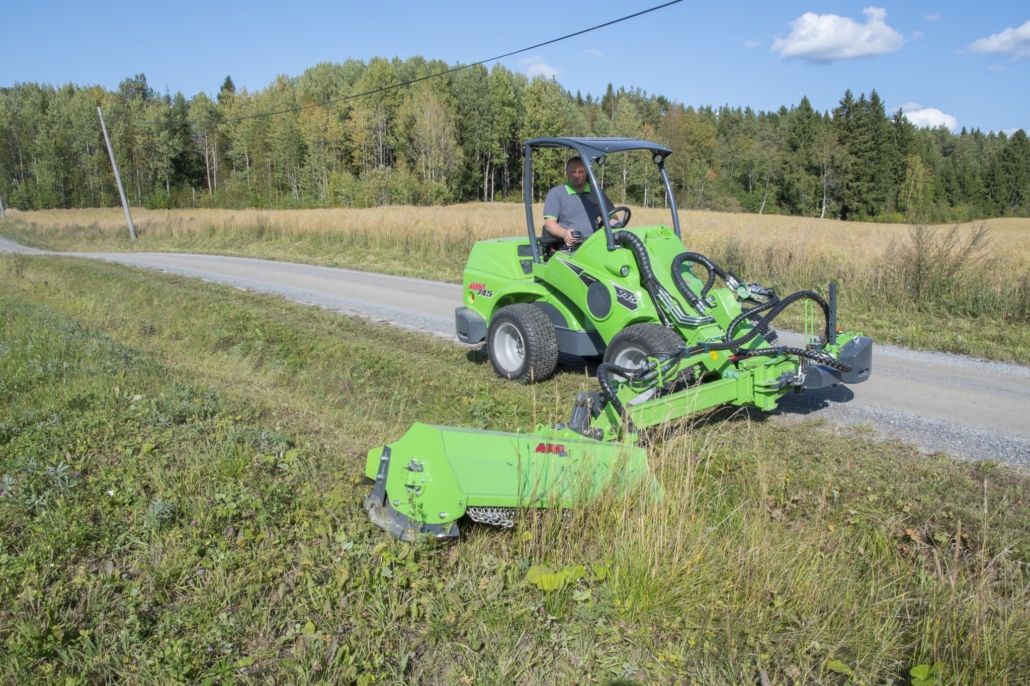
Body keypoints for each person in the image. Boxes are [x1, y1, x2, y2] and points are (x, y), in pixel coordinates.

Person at [542, 157, 615, 249]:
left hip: (594, 244)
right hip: (567, 246)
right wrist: (564, 234)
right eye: (573, 172)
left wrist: (610, 224)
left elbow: (613, 217)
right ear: (567, 173)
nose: (577, 175)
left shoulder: (597, 192)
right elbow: (549, 224)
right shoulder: (556, 193)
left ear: (586, 173)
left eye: (580, 172)